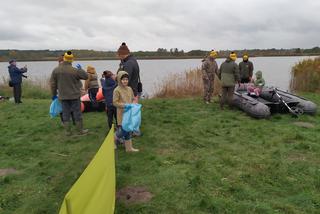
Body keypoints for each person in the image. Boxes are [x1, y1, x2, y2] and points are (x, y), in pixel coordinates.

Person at [50, 51, 89, 136]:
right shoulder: (75, 70)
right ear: (72, 60)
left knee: (65, 113)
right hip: (75, 96)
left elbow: (53, 84)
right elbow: (86, 76)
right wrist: (80, 69)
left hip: (63, 96)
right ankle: (80, 131)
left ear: (64, 58)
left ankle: (68, 132)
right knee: (77, 113)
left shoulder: (56, 70)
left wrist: (53, 95)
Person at [113, 70, 139, 152]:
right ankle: (112, 141)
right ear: (119, 80)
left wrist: (134, 103)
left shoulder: (129, 89)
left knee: (128, 130)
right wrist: (124, 105)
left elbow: (132, 99)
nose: (125, 81)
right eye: (123, 79)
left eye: (126, 79)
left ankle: (129, 148)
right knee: (122, 131)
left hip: (129, 113)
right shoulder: (117, 90)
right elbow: (115, 102)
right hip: (121, 113)